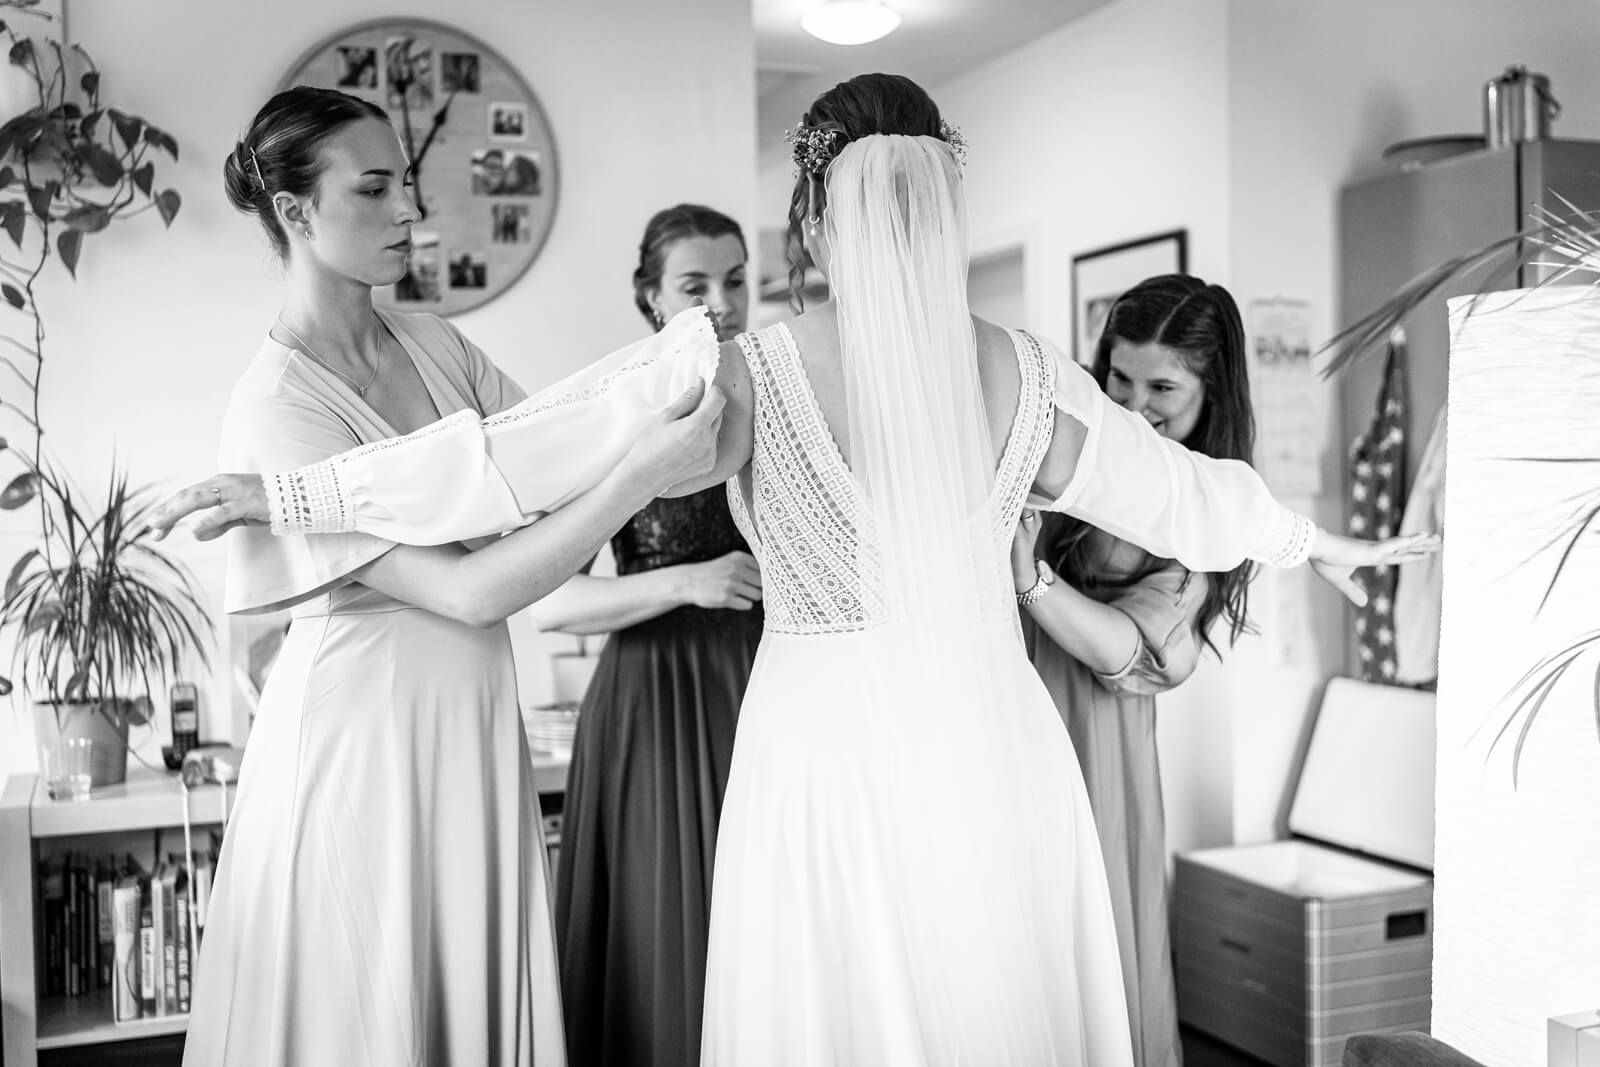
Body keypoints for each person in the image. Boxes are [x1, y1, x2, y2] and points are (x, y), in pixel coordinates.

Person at [150, 75, 1435, 1066]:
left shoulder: (738, 369)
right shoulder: (1026, 372)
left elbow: (512, 459)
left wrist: (302, 491)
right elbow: (1190, 495)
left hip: (821, 751)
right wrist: (1334, 545)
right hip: (995, 743)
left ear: (809, 216)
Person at [180, 86, 723, 1066]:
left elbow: (551, 477)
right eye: (377, 188)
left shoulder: (434, 342)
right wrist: (639, 471)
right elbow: (474, 589)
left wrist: (651, 405)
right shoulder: (273, 408)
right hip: (362, 738)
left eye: (408, 185)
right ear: (297, 212)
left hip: (468, 721)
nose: (408, 212)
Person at [1012, 273, 1256, 1067]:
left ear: (1210, 395)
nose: (1134, 405)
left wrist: (1031, 579)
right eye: (1118, 377)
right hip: (1011, 713)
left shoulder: (1209, 512)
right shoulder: (1079, 449)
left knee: (1094, 946)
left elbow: (1130, 649)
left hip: (1098, 744)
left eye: (1163, 388)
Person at [541, 204, 762, 1066]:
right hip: (652, 700)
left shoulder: (785, 395)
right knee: (664, 914)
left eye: (736, 279)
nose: (722, 300)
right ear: (650, 297)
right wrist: (690, 583)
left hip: (762, 684)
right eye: (695, 285)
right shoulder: (619, 410)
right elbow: (552, 604)